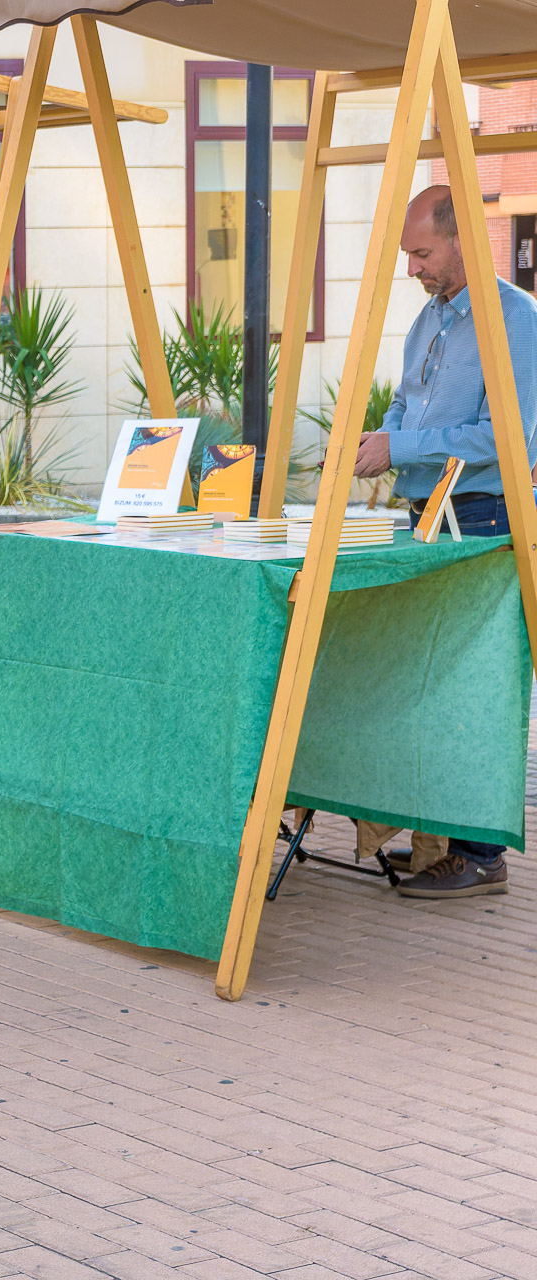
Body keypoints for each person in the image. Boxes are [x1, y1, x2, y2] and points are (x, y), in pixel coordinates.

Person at [354, 184, 537, 901]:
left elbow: (509, 439)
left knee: (479, 685)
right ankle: (439, 843)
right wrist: (381, 434)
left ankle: (481, 853)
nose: (413, 269)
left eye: (422, 253)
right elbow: (407, 402)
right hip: (427, 516)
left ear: (462, 240)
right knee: (429, 683)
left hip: (487, 518)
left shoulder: (514, 321)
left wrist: (402, 443)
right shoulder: (425, 322)